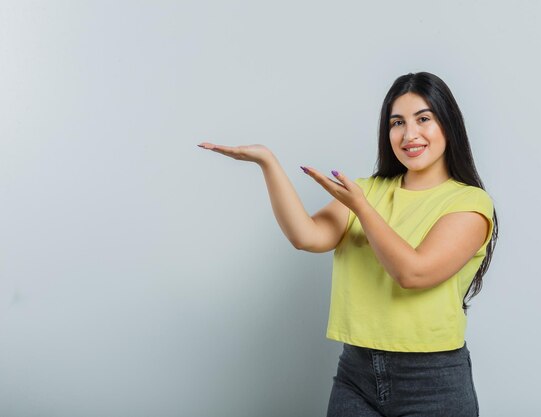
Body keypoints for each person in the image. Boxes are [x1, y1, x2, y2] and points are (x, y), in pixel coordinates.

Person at [198, 71, 498, 417]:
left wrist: (360, 208)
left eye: (424, 119)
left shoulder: (470, 204)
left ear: (448, 124)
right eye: (397, 122)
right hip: (356, 374)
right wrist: (268, 162)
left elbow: (413, 273)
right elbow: (306, 236)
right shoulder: (367, 190)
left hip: (432, 380)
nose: (409, 134)